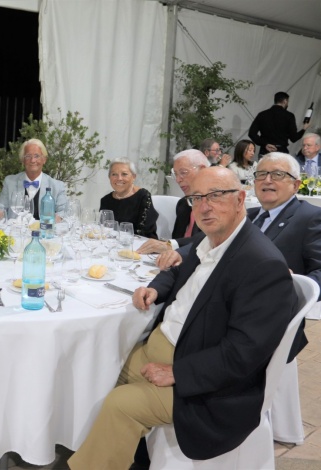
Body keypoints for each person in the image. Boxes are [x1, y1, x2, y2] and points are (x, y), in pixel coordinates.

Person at [68, 166, 297, 469]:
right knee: (94, 369)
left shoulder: (261, 264)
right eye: (197, 198)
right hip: (159, 349)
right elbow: (177, 269)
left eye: (216, 195)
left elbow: (244, 353)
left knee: (119, 405)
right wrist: (155, 289)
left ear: (240, 199)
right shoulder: (211, 240)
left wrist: (179, 372)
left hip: (203, 383)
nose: (204, 206)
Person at [157, 152, 319, 361]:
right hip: (220, 308)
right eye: (261, 174)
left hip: (262, 322)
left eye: (278, 174)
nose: (267, 180)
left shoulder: (310, 217)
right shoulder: (250, 215)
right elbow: (204, 242)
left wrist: (291, 280)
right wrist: (176, 251)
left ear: (296, 185)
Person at [137, 149, 209, 254]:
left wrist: (170, 245)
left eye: (183, 173)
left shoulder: (217, 203)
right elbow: (177, 239)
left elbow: (208, 240)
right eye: (175, 174)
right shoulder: (183, 204)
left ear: (202, 170)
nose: (178, 180)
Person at [0, 138, 67, 220]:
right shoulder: (10, 182)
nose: (32, 160)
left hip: (43, 228)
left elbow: (64, 212)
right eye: (28, 156)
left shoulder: (57, 186)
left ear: (44, 160)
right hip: (16, 228)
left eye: (37, 156)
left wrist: (53, 220)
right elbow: (0, 207)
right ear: (23, 160)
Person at [99, 158, 158, 238]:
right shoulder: (105, 200)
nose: (119, 178)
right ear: (109, 177)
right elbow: (103, 229)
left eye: (124, 174)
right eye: (114, 174)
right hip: (112, 242)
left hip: (141, 243)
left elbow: (144, 232)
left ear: (134, 177)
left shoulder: (143, 197)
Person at [248, 91, 310, 156]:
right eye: (288, 101)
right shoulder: (289, 116)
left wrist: (265, 144)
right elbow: (293, 138)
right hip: (281, 152)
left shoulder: (262, 114)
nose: (287, 104)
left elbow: (252, 133)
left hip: (265, 151)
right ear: (285, 101)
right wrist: (304, 129)